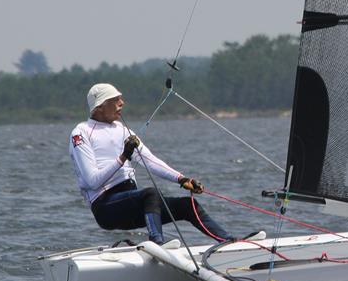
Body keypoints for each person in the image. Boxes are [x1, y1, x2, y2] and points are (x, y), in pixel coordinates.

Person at [70, 83, 233, 246]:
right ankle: (157, 244)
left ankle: (227, 240)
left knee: (187, 205)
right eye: (116, 99)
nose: (122, 102)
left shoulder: (122, 129)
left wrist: (182, 179)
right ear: (100, 106)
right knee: (151, 194)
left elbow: (149, 160)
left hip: (132, 204)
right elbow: (92, 181)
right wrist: (123, 157)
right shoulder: (81, 132)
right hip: (106, 207)